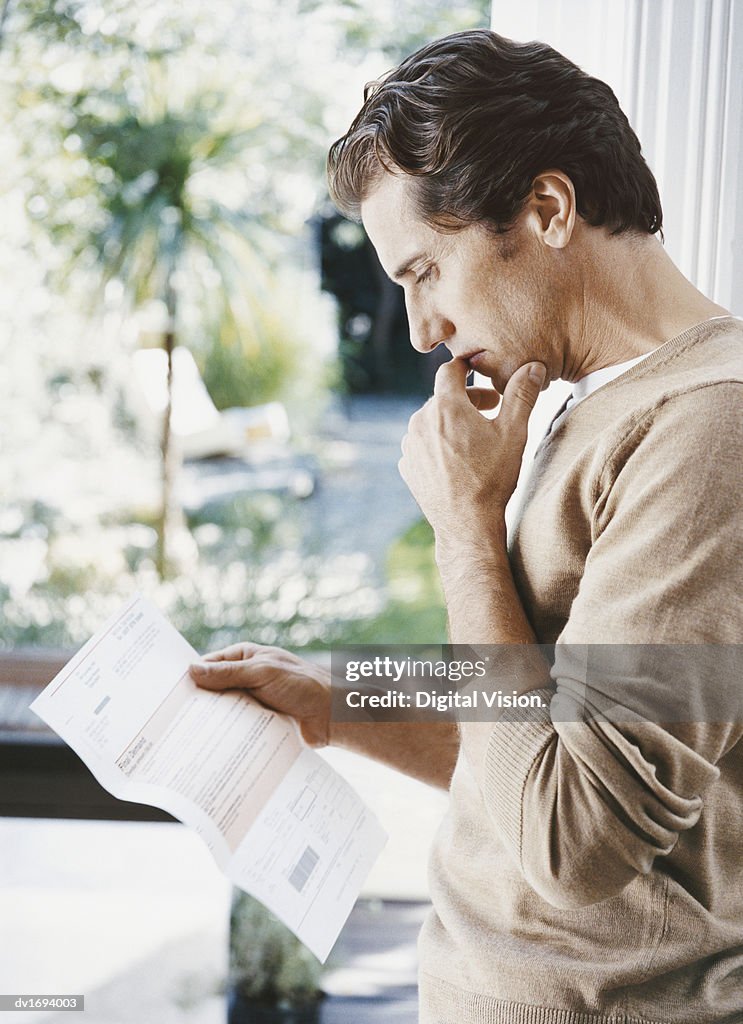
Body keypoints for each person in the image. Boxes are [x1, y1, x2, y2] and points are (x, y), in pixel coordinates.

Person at [190, 29, 743, 1024]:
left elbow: (573, 836)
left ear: (545, 208)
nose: (418, 330)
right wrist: (342, 695)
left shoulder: (710, 430)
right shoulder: (593, 401)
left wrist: (463, 531)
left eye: (422, 273)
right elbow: (527, 735)